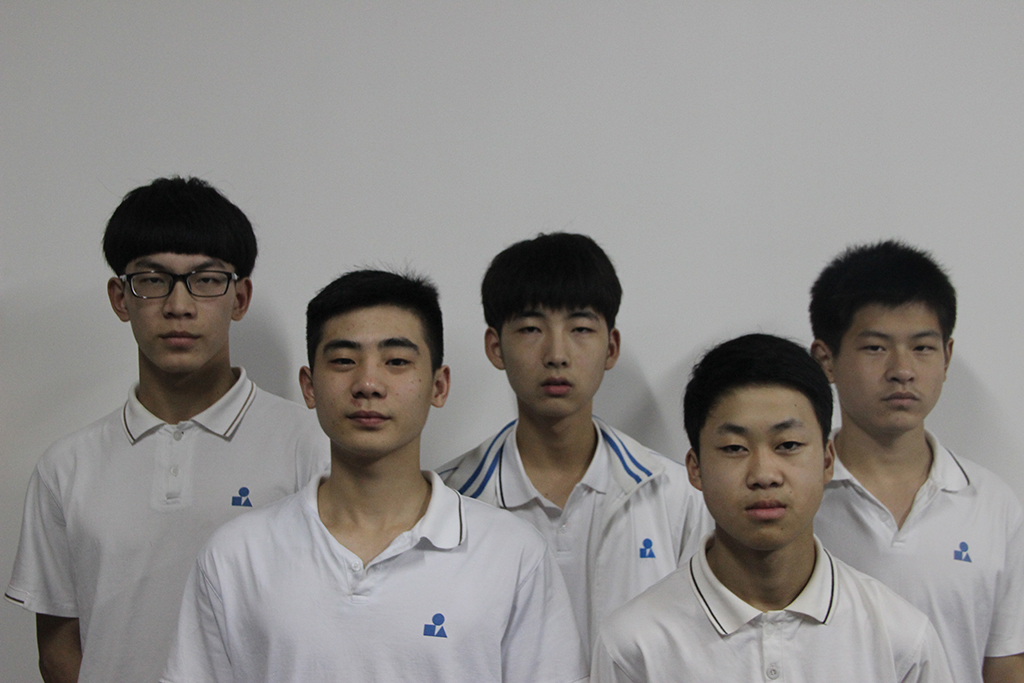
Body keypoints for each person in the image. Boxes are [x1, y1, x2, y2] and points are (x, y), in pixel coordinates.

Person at [162, 269, 586, 683]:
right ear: (309, 386)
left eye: (396, 361)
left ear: (439, 386)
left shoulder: (512, 555)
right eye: (344, 361)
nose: (368, 383)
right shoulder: (237, 555)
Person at [4, 177, 329, 683]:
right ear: (120, 298)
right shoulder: (66, 467)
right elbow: (59, 648)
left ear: (240, 298)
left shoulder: (309, 447)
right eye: (153, 280)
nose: (179, 305)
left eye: (207, 280)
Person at [592, 333, 953, 683]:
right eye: (734, 448)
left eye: (788, 445)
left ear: (827, 460)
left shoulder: (901, 639)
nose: (764, 475)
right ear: (695, 468)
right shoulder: (634, 646)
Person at [439, 232, 709, 656]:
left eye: (581, 328)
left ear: (611, 347)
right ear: (495, 347)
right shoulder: (447, 501)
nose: (557, 354)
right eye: (531, 329)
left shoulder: (676, 497)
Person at [809, 240, 1024, 683]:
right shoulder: (792, 496)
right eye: (875, 348)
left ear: (947, 357)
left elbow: (1004, 663)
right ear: (826, 360)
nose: (902, 370)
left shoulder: (992, 504)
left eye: (923, 348)